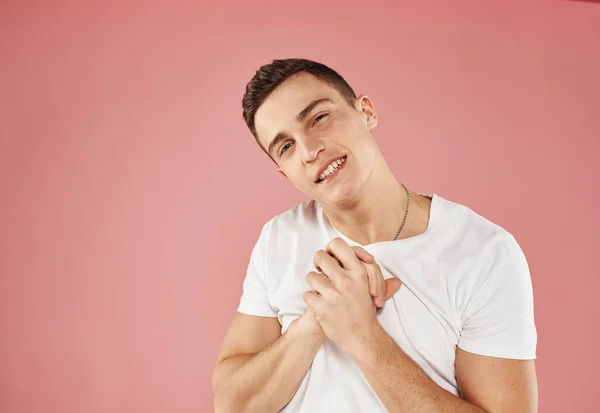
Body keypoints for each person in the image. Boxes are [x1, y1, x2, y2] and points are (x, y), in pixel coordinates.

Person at [211, 58, 538, 413]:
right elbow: (232, 404)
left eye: (319, 118)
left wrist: (361, 336)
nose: (309, 150)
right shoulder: (280, 237)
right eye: (286, 147)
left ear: (365, 111)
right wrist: (315, 321)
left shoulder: (483, 251)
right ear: (284, 173)